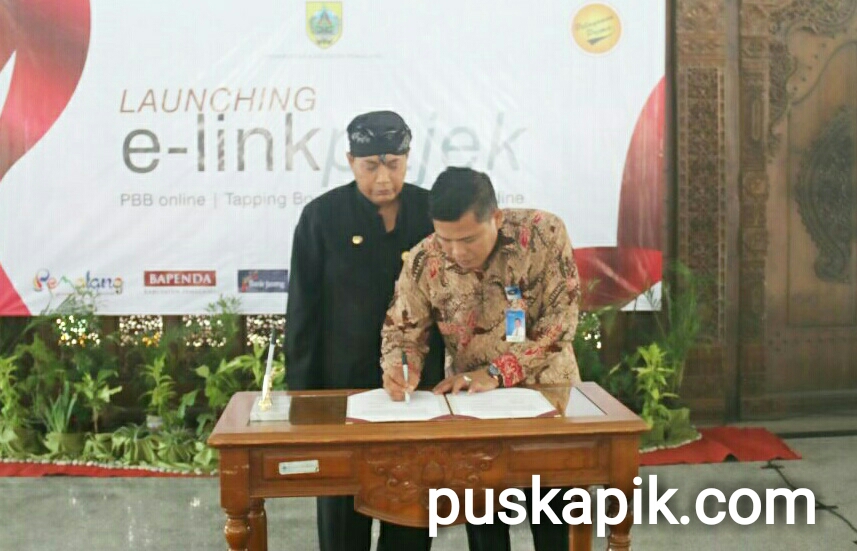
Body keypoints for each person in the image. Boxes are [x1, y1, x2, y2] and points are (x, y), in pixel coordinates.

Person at [380, 166, 580, 551]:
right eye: (446, 239)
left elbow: (560, 322)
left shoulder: (543, 235)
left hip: (547, 402)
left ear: (496, 218)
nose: (457, 252)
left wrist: (496, 372)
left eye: (468, 239)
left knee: (555, 523)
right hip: (475, 411)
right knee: (486, 527)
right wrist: (401, 366)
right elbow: (402, 331)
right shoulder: (424, 259)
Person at [285, 110, 444, 551]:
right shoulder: (321, 218)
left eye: (393, 164)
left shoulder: (432, 213)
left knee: (412, 520)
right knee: (342, 523)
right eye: (371, 165)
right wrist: (304, 402)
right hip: (343, 394)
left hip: (417, 392)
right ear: (351, 161)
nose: (383, 178)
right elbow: (302, 315)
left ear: (408, 159)